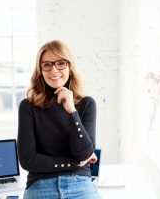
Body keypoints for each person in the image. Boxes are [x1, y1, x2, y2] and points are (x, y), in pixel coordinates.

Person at [17, 40, 100, 199]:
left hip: (80, 185)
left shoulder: (86, 104)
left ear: (70, 67)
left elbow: (84, 153)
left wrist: (71, 111)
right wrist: (73, 164)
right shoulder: (28, 106)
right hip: (41, 186)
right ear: (40, 70)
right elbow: (28, 160)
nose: (54, 70)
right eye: (47, 65)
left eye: (60, 63)